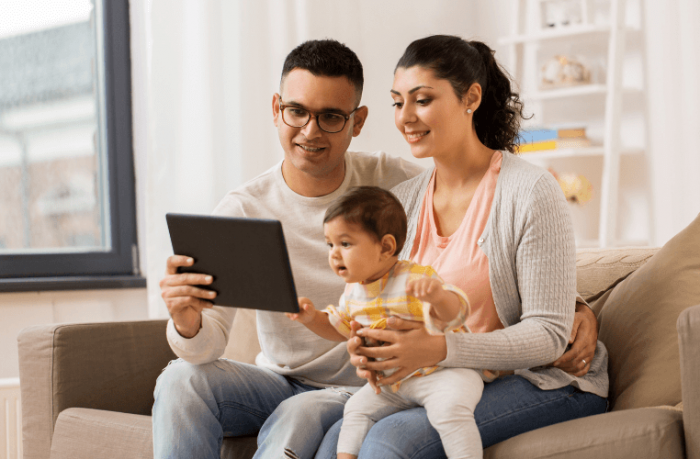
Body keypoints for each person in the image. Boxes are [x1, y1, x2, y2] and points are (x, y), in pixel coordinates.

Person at [316, 35, 609, 458]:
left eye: (422, 100)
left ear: (471, 97)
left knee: (391, 441)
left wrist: (440, 348)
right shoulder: (404, 200)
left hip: (547, 380)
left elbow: (548, 333)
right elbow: (387, 299)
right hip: (439, 376)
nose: (405, 117)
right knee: (334, 441)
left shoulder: (530, 190)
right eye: (398, 102)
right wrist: (374, 350)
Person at [153, 39, 424, 459]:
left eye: (331, 116)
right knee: (179, 380)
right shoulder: (244, 209)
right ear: (277, 108)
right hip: (276, 381)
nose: (310, 131)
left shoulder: (398, 183)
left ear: (358, 121)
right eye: (296, 111)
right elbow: (205, 349)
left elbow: (484, 220)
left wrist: (568, 305)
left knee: (298, 413)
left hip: (363, 387)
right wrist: (187, 322)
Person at [288, 186, 491, 459]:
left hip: (444, 373)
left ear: (386, 247)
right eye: (330, 244)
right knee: (356, 410)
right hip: (394, 384)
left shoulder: (414, 279)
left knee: (450, 411)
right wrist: (311, 318)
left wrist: (439, 296)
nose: (334, 254)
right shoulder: (353, 291)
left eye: (345, 244)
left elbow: (456, 314)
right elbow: (339, 328)